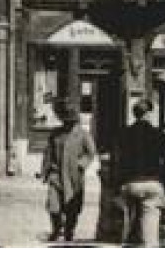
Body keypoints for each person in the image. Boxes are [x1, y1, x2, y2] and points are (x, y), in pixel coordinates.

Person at [117, 100, 165, 247]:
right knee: (150, 230)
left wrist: (118, 184)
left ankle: (127, 242)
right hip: (152, 183)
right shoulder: (158, 134)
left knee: (127, 224)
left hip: (130, 184)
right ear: (149, 114)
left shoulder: (123, 133)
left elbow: (116, 160)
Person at [40, 98, 96, 243]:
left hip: (73, 177)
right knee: (53, 206)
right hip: (56, 175)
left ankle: (69, 231)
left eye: (70, 120)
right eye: (65, 120)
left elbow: (90, 152)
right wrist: (44, 171)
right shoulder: (55, 134)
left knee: (72, 207)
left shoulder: (83, 134)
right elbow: (48, 153)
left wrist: (81, 164)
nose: (68, 123)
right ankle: (56, 228)